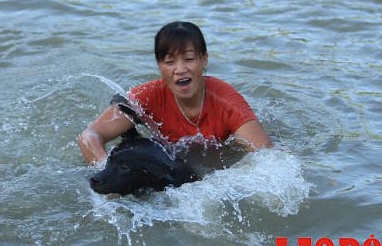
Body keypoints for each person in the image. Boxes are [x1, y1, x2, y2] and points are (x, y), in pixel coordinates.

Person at [78, 22, 272, 166]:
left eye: (188, 59)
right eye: (169, 62)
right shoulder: (147, 97)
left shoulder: (227, 102)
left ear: (204, 60)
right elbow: (90, 135)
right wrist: (105, 169)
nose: (180, 69)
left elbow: (268, 157)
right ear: (159, 66)